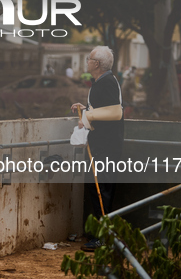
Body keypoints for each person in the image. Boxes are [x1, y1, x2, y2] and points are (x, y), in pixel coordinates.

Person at [71, 46, 124, 252]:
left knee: (101, 190)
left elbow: (115, 113)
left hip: (106, 147)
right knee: (98, 189)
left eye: (89, 58)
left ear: (97, 64)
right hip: (101, 145)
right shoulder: (102, 82)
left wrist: (88, 117)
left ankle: (104, 238)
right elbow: (104, 109)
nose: (87, 61)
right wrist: (86, 110)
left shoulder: (108, 82)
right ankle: (102, 235)